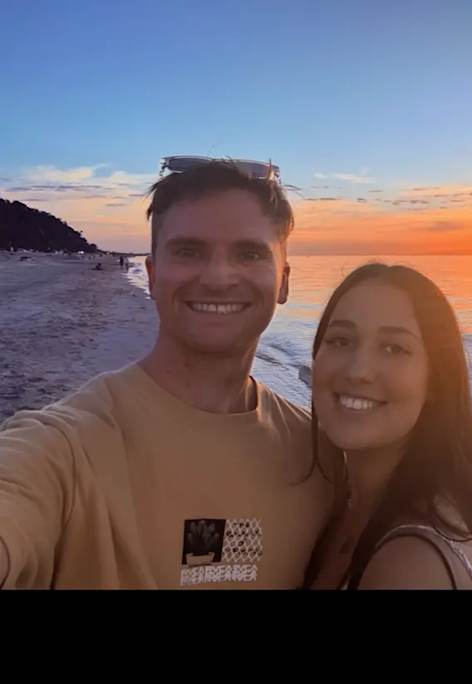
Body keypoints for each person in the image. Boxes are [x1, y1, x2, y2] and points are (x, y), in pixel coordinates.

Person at [0, 159, 333, 589]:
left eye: (249, 254)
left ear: (283, 282)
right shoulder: (65, 446)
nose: (218, 278)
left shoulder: (321, 457)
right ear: (153, 275)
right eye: (189, 251)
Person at [302, 264, 472, 589]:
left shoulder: (412, 565)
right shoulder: (342, 505)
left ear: (436, 381)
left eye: (394, 348)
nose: (358, 371)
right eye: (340, 340)